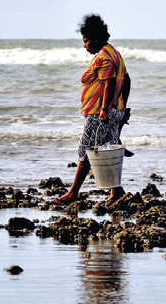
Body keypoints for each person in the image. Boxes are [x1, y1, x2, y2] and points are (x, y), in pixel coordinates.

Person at [52, 14, 129, 205]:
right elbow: (126, 81)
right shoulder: (114, 53)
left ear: (95, 39)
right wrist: (123, 107)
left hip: (100, 113)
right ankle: (116, 192)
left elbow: (108, 82)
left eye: (86, 41)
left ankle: (72, 193)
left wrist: (104, 109)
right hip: (114, 111)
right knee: (107, 150)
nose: (84, 45)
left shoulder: (104, 57)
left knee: (87, 150)